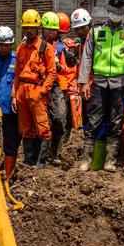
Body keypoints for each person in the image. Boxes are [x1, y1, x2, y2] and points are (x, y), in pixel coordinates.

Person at [78, 0, 124, 172]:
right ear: (108, 11)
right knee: (93, 120)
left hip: (120, 83)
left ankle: (110, 160)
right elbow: (86, 57)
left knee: (116, 121)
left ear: (123, 13)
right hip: (99, 82)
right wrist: (84, 82)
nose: (116, 15)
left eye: (119, 12)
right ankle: (86, 159)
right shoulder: (96, 31)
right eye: (113, 11)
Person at [14, 9, 56, 168]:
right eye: (26, 27)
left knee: (43, 127)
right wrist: (14, 94)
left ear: (38, 27)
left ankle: (41, 163)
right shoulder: (21, 48)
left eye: (31, 27)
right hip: (22, 91)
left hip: (37, 90)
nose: (28, 30)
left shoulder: (45, 48)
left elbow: (52, 73)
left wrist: (42, 92)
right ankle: (29, 161)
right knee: (26, 128)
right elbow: (17, 72)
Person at [44, 12, 75, 167]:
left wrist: (59, 66)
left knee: (59, 118)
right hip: (39, 84)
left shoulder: (60, 48)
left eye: (54, 30)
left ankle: (55, 151)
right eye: (49, 29)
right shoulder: (35, 44)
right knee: (40, 121)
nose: (52, 33)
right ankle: (39, 155)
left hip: (56, 85)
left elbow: (65, 68)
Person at [0, 27, 19, 178]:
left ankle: (8, 175)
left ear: (11, 45)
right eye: (0, 45)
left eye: (6, 45)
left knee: (10, 143)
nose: (3, 48)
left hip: (10, 110)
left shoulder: (18, 60)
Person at [68, 9, 92, 139]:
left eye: (82, 28)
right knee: (86, 117)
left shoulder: (94, 41)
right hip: (84, 84)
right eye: (77, 29)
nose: (79, 31)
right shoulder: (81, 42)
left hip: (94, 84)